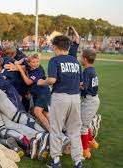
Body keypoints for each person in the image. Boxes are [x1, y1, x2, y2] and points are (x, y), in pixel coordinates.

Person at [37, 35, 83, 168]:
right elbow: (80, 82)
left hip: (60, 97)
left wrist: (41, 82)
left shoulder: (55, 60)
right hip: (75, 98)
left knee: (56, 129)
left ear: (55, 47)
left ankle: (56, 160)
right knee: (74, 130)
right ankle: (78, 161)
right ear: (68, 47)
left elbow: (52, 80)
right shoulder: (75, 62)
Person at [15, 54, 51, 131]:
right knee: (45, 113)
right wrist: (23, 60)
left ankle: (51, 131)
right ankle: (56, 130)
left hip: (43, 92)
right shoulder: (28, 66)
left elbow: (28, 82)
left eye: (37, 61)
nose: (36, 63)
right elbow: (18, 63)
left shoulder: (38, 70)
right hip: (37, 94)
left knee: (37, 111)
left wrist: (21, 70)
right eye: (33, 62)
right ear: (29, 63)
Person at [79, 49, 100, 159]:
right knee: (84, 123)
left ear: (85, 59)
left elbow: (84, 87)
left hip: (90, 101)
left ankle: (85, 150)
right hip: (92, 100)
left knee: (83, 127)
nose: (80, 59)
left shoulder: (87, 71)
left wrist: (74, 84)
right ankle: (91, 141)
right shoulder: (92, 69)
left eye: (81, 57)